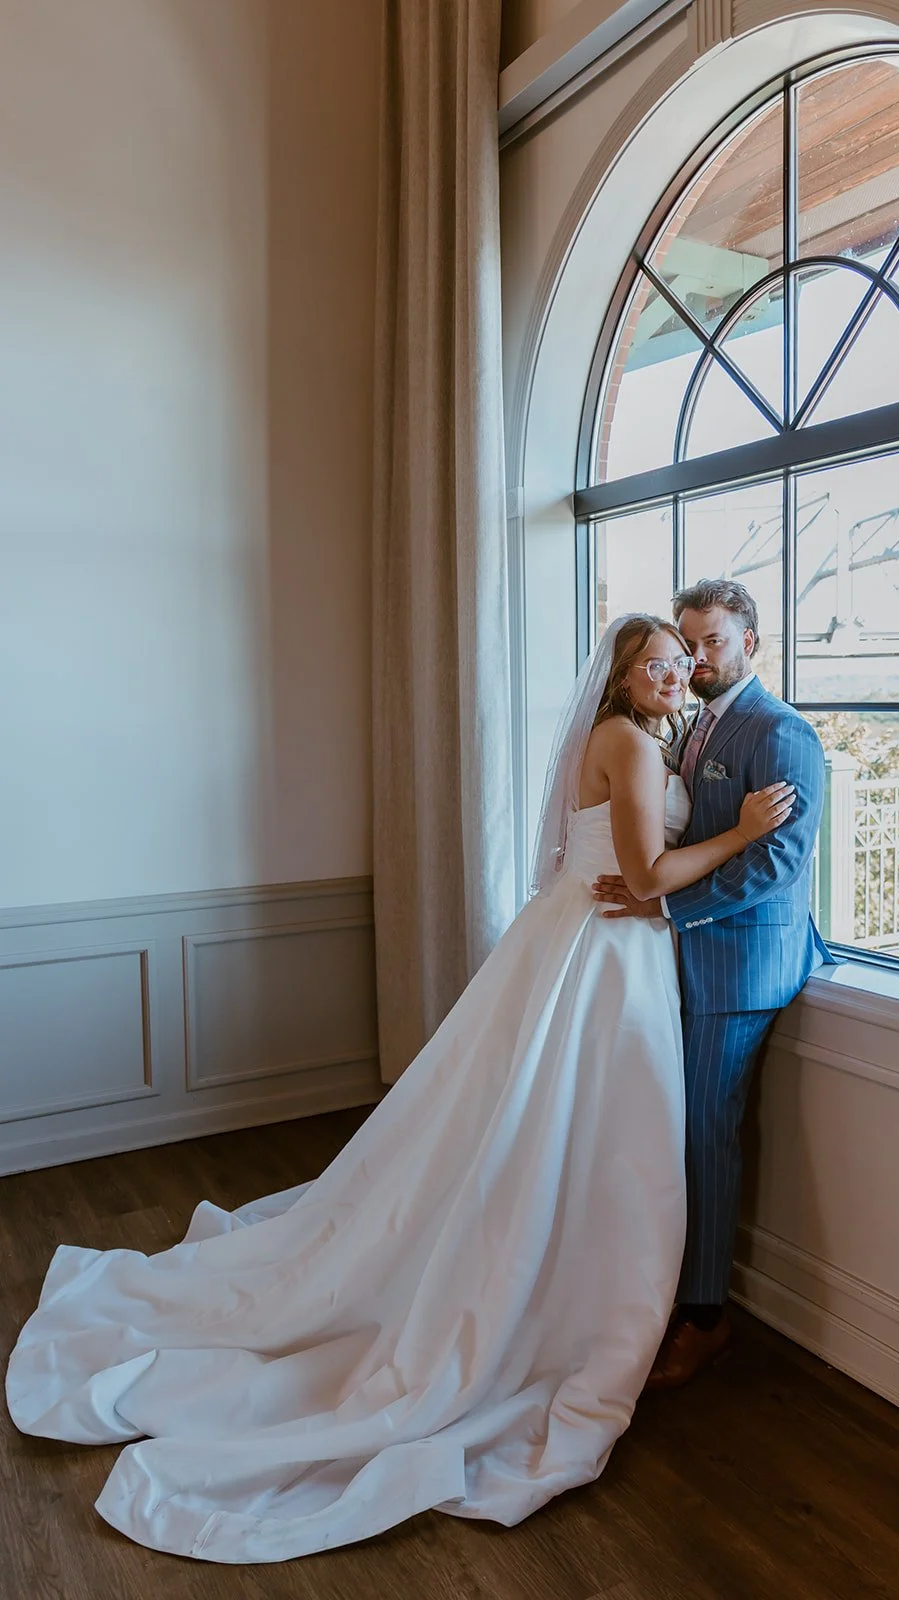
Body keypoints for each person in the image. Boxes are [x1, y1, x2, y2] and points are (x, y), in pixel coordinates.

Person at [5, 613, 794, 1565]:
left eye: (679, 662)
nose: (672, 675)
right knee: (582, 1127)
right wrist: (745, 834)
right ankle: (562, 1291)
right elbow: (645, 873)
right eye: (655, 665)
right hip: (605, 954)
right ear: (622, 681)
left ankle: (563, 1263)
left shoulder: (638, 735)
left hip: (592, 946)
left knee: (563, 1128)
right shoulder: (627, 741)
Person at [593, 580, 835, 1390]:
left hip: (739, 965)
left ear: (750, 643)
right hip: (683, 956)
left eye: (713, 641)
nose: (697, 657)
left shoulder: (782, 732)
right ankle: (660, 1288)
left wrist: (662, 905)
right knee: (669, 1128)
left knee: (703, 1134)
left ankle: (705, 1320)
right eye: (687, 642)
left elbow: (776, 863)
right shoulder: (689, 723)